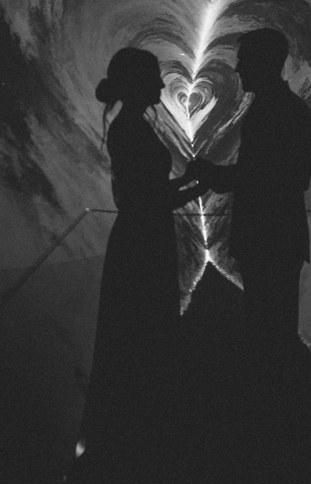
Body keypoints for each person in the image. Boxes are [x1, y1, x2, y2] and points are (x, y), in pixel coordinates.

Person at [75, 47, 206, 482]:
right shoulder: (130, 129)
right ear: (136, 83)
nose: (161, 85)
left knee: (135, 334)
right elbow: (145, 200)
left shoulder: (130, 125)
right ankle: (134, 448)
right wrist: (198, 186)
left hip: (143, 236)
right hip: (142, 240)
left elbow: (147, 193)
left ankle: (129, 441)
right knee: (142, 330)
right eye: (153, 77)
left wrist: (189, 183)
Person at [192, 28, 311, 372]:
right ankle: (273, 389)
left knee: (268, 331)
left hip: (270, 236)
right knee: (273, 328)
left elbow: (269, 176)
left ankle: (269, 394)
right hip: (280, 235)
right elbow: (282, 176)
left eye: (244, 60)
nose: (237, 68)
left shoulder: (275, 111)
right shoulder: (285, 107)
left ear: (264, 63)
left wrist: (215, 175)